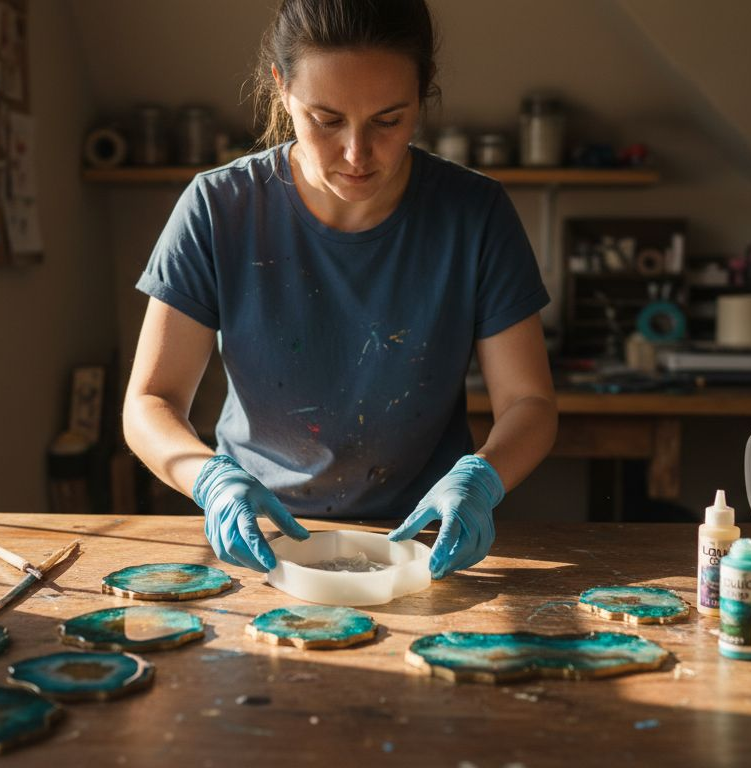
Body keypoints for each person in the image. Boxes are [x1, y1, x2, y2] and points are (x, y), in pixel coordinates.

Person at [123, 0, 556, 580]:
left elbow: (529, 402)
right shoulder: (218, 209)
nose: (356, 154)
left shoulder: (474, 215)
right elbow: (150, 401)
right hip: (262, 538)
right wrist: (211, 481)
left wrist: (482, 479)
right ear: (281, 89)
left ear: (422, 95)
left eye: (388, 120)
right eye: (326, 120)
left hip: (424, 540)